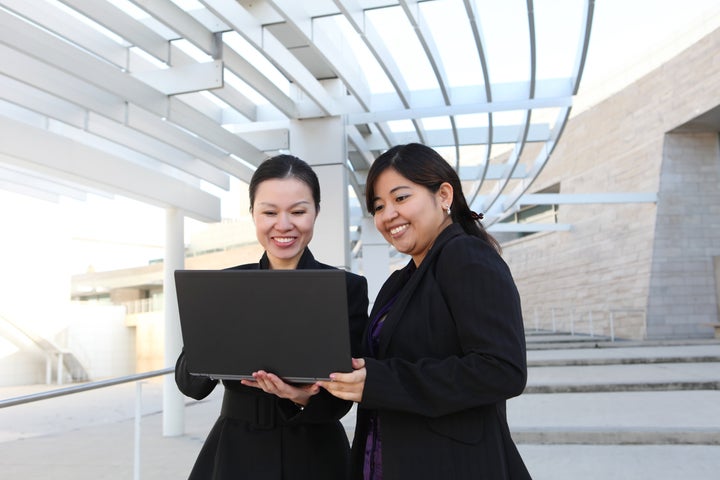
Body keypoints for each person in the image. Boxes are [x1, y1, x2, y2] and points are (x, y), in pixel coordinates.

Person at [318, 143, 532, 479]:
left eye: (401, 198)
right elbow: (375, 365)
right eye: (378, 206)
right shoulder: (400, 281)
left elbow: (502, 369)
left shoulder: (467, 257)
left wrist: (381, 382)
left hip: (451, 464)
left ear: (444, 195)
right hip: (388, 459)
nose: (388, 215)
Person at [175, 154, 369, 480]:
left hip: (315, 452)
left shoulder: (346, 288)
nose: (283, 224)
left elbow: (344, 398)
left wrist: (301, 397)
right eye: (269, 212)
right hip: (236, 451)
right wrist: (219, 329)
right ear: (252, 214)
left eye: (297, 211)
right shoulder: (225, 285)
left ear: (316, 213)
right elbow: (189, 384)